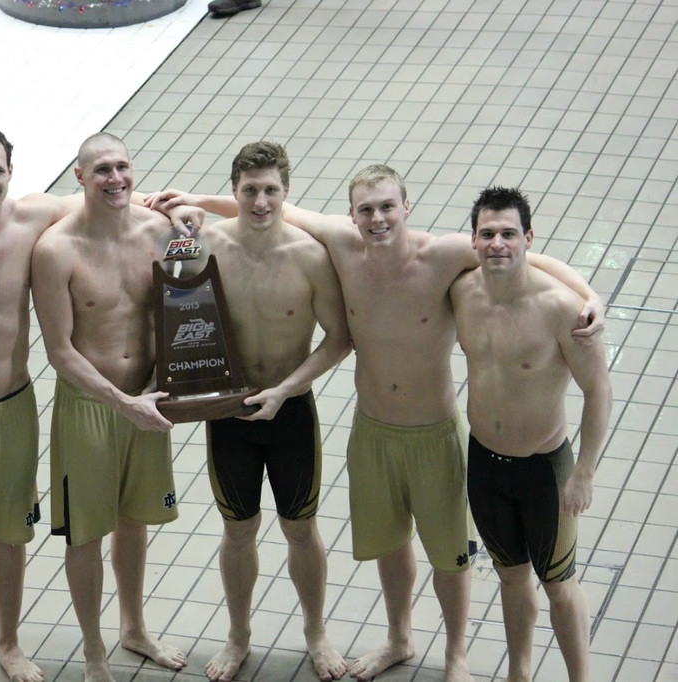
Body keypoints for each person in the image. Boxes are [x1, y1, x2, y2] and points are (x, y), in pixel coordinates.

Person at [145, 164, 604, 681]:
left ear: (406, 207)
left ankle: (455, 655)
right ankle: (399, 638)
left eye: (387, 207)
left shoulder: (445, 255)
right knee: (391, 544)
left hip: (435, 431)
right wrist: (194, 199)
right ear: (352, 215)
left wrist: (590, 295)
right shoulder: (343, 246)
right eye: (367, 210)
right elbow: (271, 208)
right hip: (373, 431)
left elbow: (526, 255)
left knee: (449, 556)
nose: (378, 218)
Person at [0, 125, 200, 682]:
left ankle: (9, 643)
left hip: (15, 410)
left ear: (11, 173)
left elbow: (110, 193)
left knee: (10, 537)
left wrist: (177, 209)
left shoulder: (31, 221)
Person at [30, 132, 188, 682]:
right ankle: (94, 652)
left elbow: (188, 304)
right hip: (91, 406)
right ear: (80, 177)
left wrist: (166, 386)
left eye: (121, 167)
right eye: (101, 170)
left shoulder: (160, 232)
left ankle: (135, 628)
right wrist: (122, 402)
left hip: (147, 396)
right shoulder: (56, 250)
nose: (114, 178)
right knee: (85, 532)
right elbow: (59, 351)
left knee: (134, 520)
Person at [198, 141, 353, 682]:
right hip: (229, 414)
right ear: (233, 191)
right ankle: (238, 636)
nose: (260, 202)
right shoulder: (207, 248)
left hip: (290, 412)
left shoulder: (310, 256)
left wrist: (285, 390)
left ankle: (316, 633)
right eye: (250, 191)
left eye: (270, 190)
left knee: (301, 529)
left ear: (287, 191)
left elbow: (339, 338)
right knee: (237, 529)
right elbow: (177, 323)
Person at [451, 187, 611, 682]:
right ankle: (519, 675)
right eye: (487, 234)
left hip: (545, 469)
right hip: (485, 462)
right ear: (473, 241)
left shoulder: (561, 307)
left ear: (528, 239)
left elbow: (599, 390)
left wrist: (584, 472)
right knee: (511, 576)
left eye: (509, 234)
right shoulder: (461, 292)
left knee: (559, 583)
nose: (497, 244)